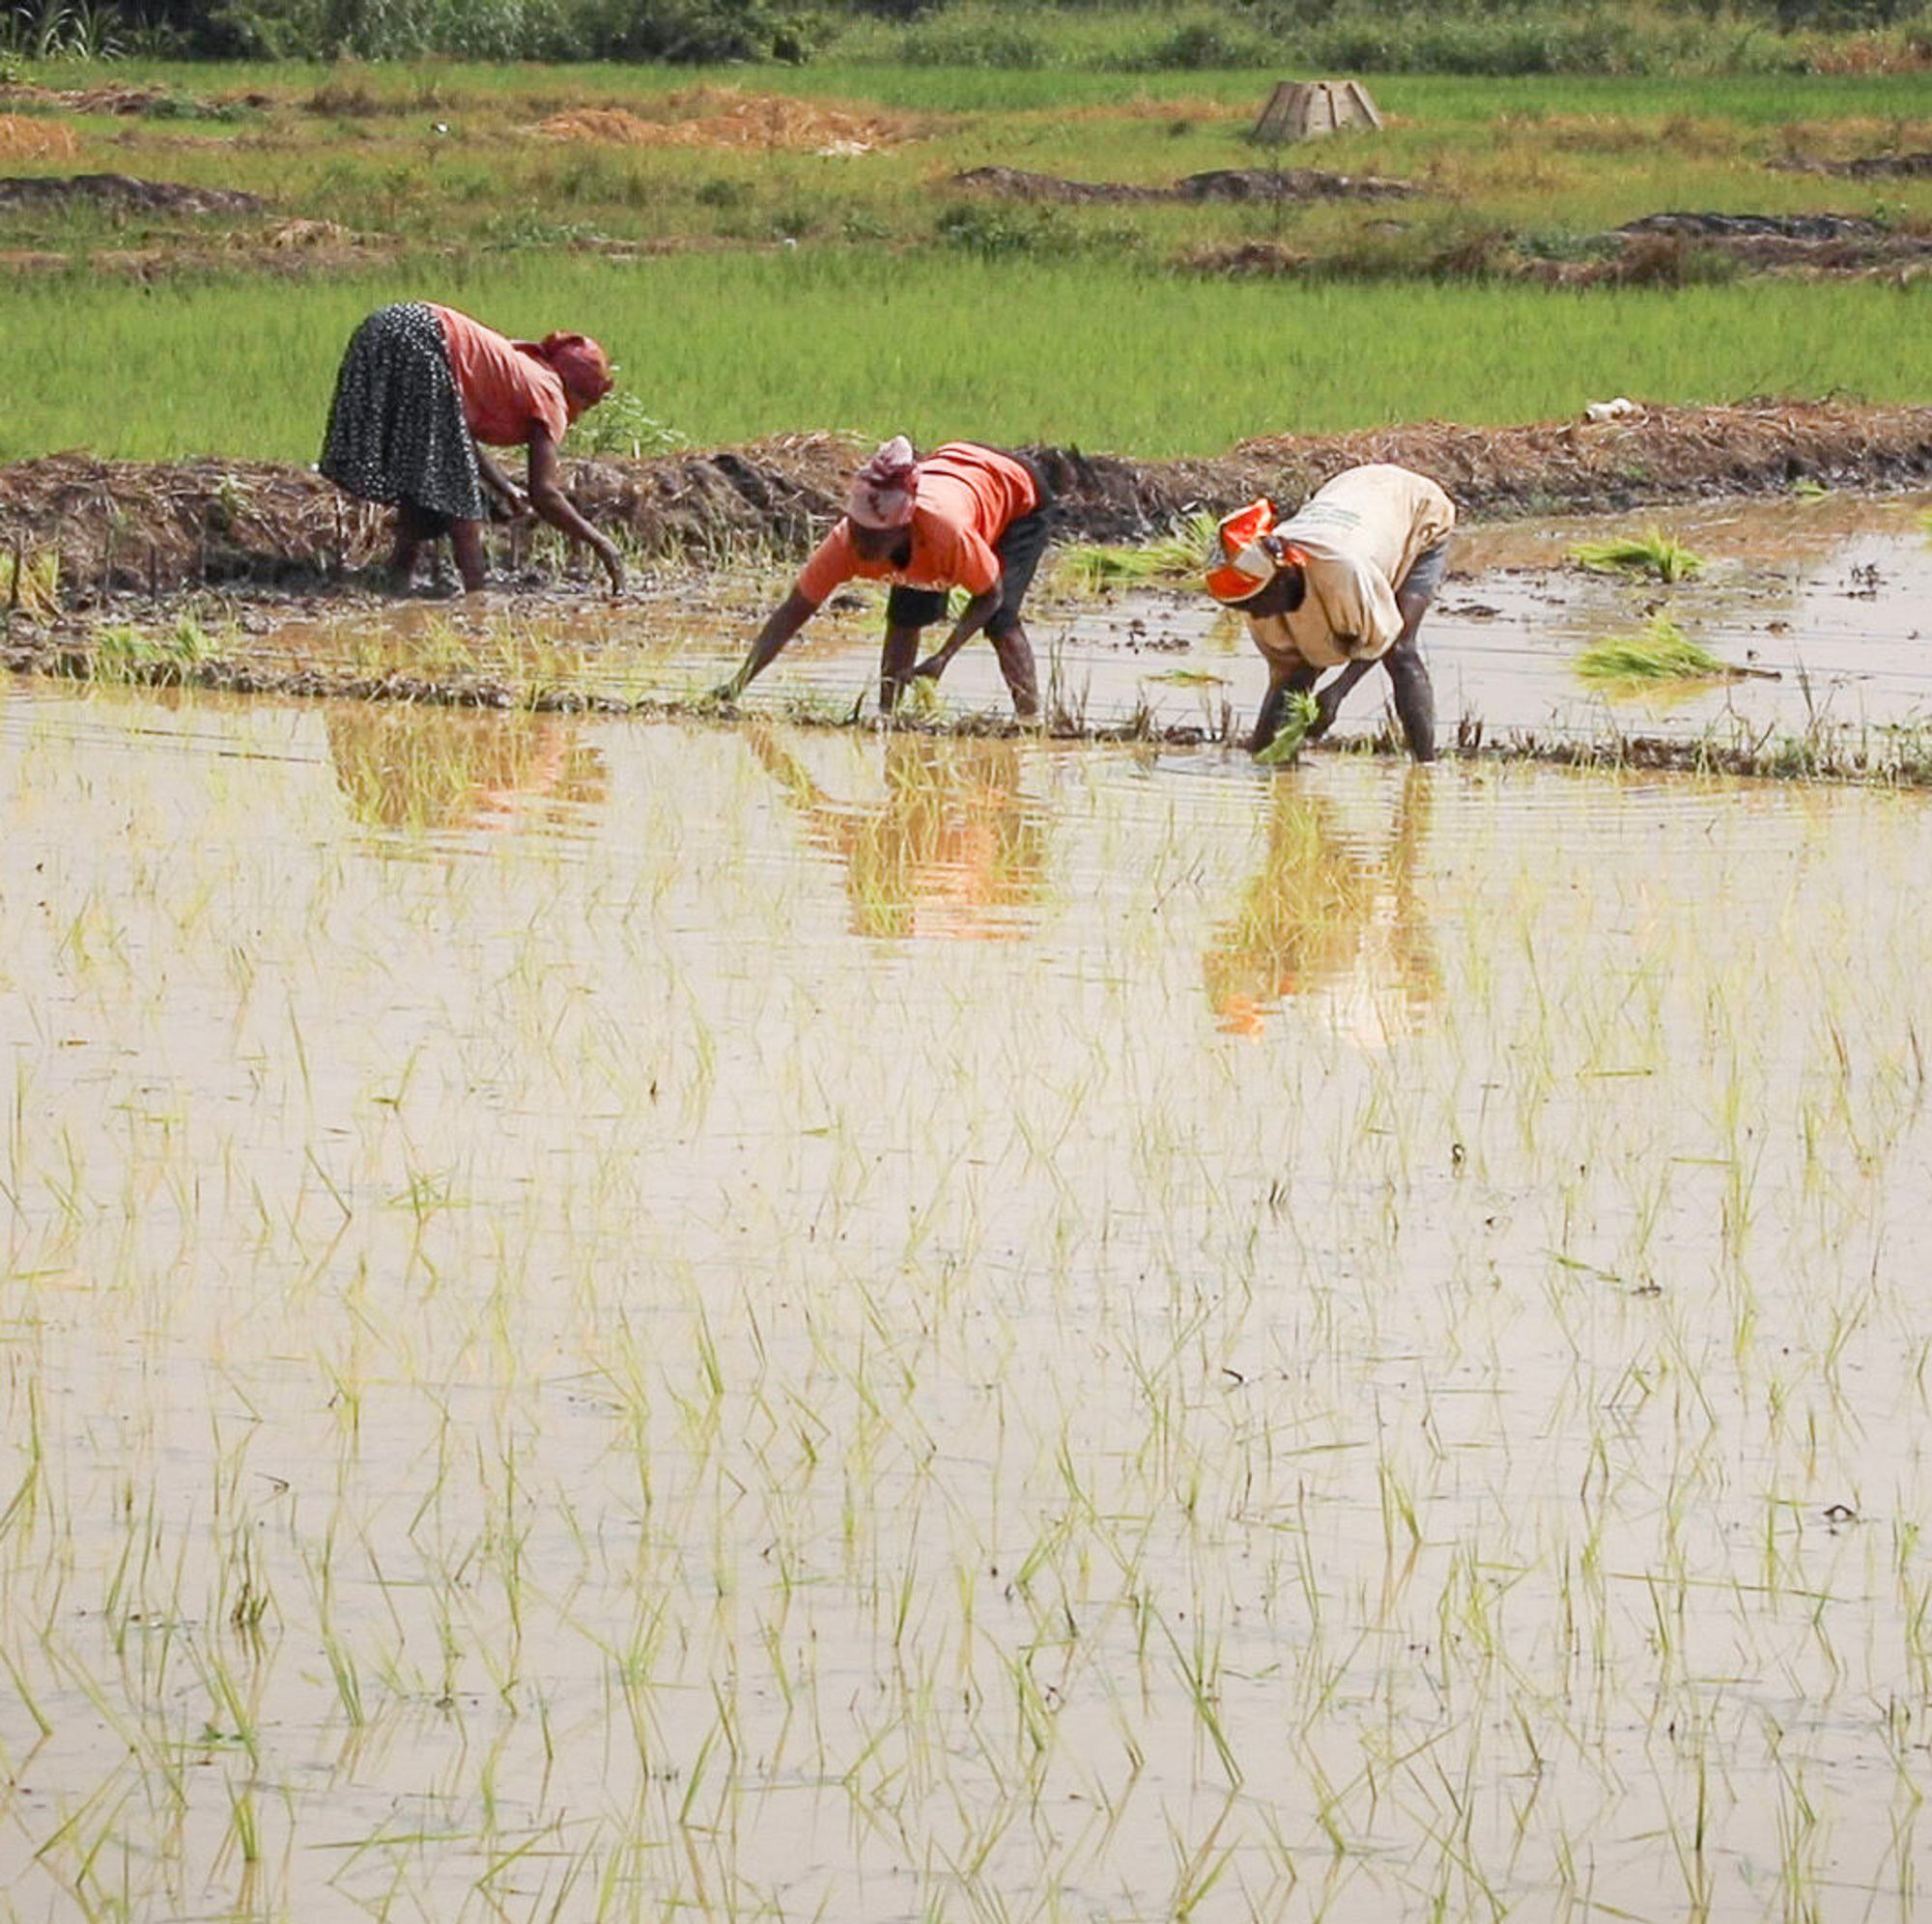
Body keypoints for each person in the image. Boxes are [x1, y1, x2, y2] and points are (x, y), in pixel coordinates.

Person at [718, 437, 1053, 718]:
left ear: (904, 527)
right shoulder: (845, 542)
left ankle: (1029, 721)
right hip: (950, 467)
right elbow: (792, 612)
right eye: (858, 529)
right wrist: (737, 684)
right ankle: (887, 714)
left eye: (874, 536)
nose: (861, 544)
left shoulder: (943, 531)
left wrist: (942, 657)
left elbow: (989, 595)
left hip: (1016, 494)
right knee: (905, 613)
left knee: (1001, 618)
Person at [320, 301, 624, 596]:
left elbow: (454, 438)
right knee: (460, 495)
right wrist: (600, 543)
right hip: (425, 339)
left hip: (384, 326)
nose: (577, 418)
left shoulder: (527, 371)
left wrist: (504, 487)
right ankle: (477, 594)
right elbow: (543, 493)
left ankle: (398, 576)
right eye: (585, 406)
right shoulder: (551, 393)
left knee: (422, 475)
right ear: (576, 390)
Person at [1205, 464, 1455, 763]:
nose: (1259, 614)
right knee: (1298, 672)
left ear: (1282, 582)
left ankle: (1424, 768)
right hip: (1349, 492)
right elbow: (1288, 673)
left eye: (1261, 603)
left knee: (1401, 652)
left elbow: (1384, 635)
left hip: (1413, 507)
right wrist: (1263, 751)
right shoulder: (1261, 586)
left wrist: (1336, 693)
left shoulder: (1343, 571)